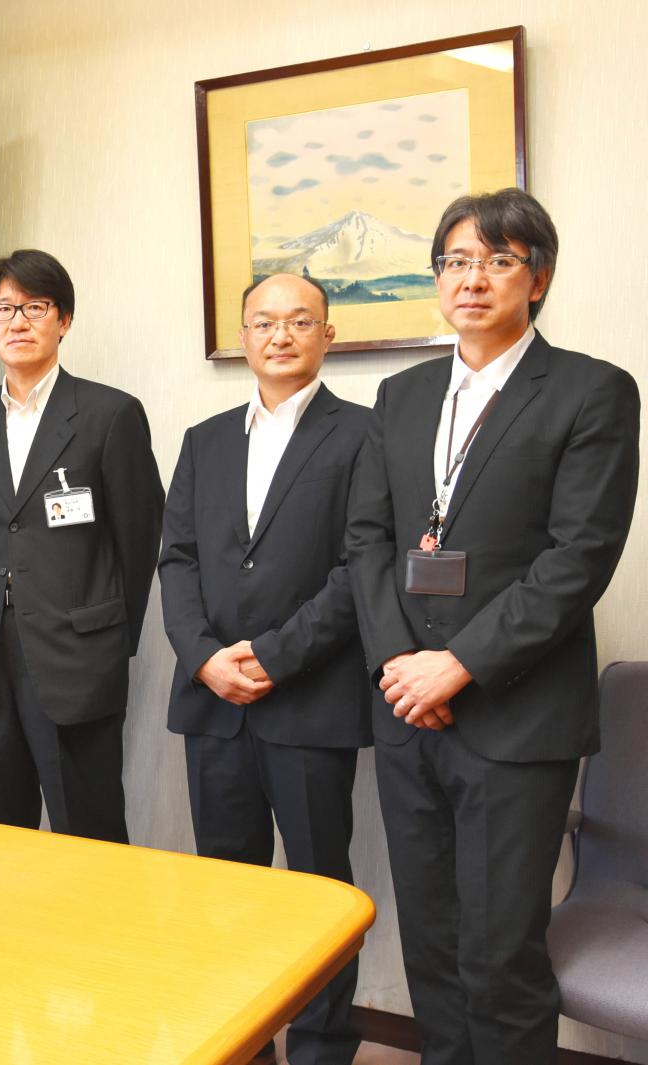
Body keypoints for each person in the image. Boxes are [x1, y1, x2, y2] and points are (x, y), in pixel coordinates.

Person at [347, 188, 639, 1064]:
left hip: (517, 719)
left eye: (498, 260)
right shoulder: (400, 395)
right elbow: (366, 540)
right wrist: (400, 663)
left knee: (502, 953)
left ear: (536, 278)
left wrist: (458, 664)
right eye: (456, 261)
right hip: (407, 715)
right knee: (431, 945)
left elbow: (577, 558)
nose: (472, 279)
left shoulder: (592, 391)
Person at [159, 273, 369, 1065]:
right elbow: (177, 560)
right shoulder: (204, 439)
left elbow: (359, 569)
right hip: (214, 702)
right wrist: (204, 656)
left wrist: (274, 656)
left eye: (299, 321)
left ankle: (322, 1050)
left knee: (318, 895)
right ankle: (244, 1048)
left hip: (309, 701)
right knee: (225, 891)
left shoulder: (364, 434)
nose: (280, 335)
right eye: (264, 322)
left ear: (327, 335)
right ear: (243, 336)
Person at [0, 249, 163, 842]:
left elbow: (139, 539)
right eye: (3, 309)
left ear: (63, 320)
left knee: (88, 832)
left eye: (34, 307)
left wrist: (110, 638)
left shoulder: (109, 413)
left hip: (77, 656)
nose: (17, 322)